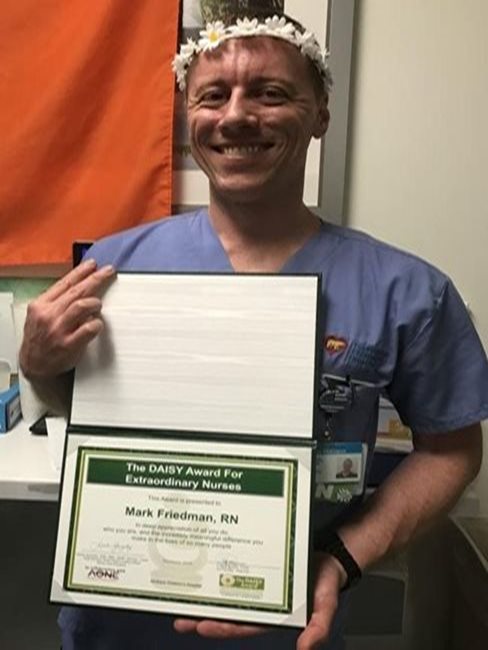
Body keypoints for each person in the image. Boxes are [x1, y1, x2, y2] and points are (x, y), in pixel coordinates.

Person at [19, 9, 488, 650]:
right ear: (190, 118)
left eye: (271, 93)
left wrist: (342, 557)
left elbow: (453, 449)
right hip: (116, 625)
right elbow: (81, 415)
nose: (237, 115)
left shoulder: (407, 292)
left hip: (291, 630)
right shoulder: (112, 268)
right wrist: (38, 359)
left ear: (321, 113)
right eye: (213, 95)